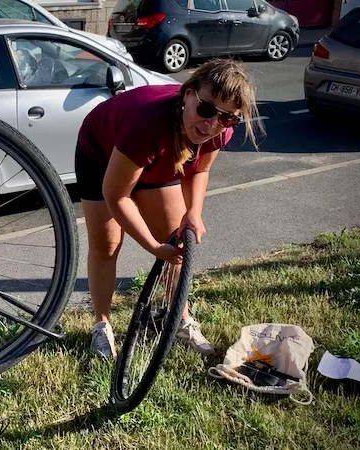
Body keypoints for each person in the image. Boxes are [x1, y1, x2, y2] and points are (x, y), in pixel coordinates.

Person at [75, 59, 262, 359]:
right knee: (107, 244)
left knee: (175, 241)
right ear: (188, 94)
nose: (212, 124)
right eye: (206, 109)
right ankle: (101, 325)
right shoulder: (146, 124)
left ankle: (179, 319)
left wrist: (194, 213)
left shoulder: (218, 129)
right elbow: (117, 196)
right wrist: (151, 246)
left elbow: (199, 171)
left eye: (228, 118)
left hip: (156, 158)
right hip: (102, 152)